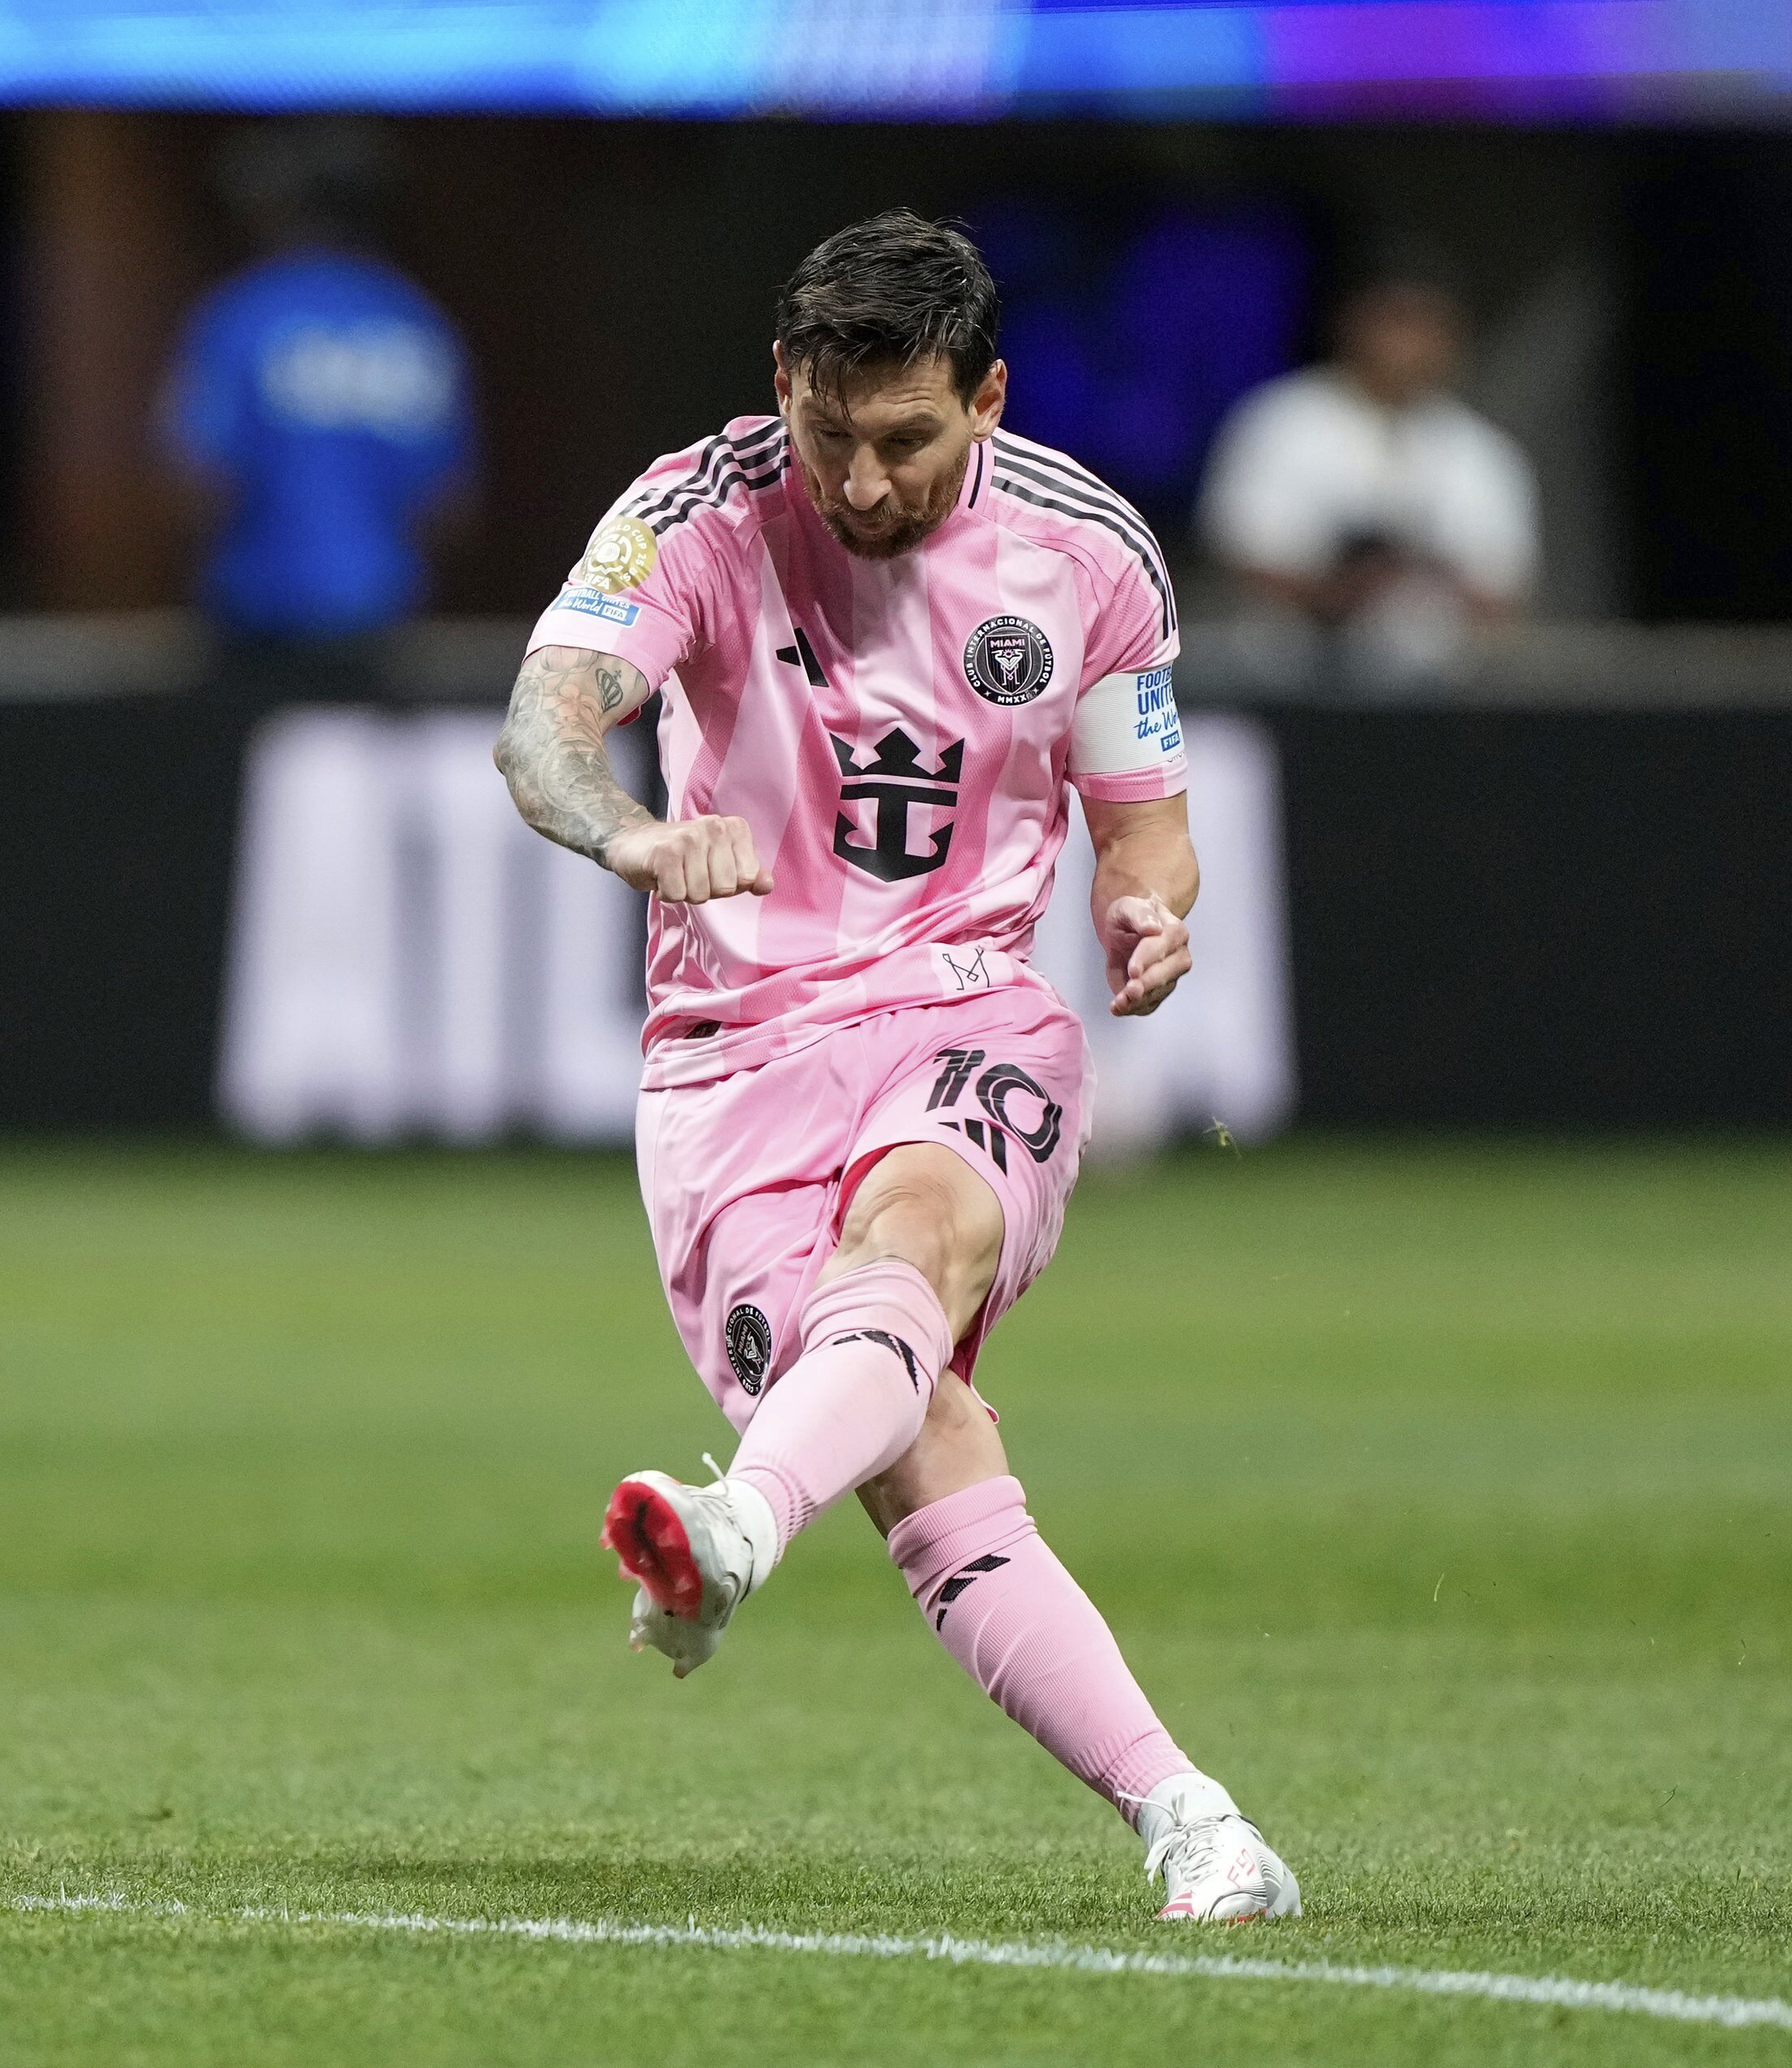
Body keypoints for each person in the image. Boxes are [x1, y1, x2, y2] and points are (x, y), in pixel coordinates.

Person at [494, 210, 1300, 1925]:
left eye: (908, 441)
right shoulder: (691, 513)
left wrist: (1150, 915)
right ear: (782, 385)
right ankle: (1196, 1819)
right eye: (828, 433)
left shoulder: (1089, 556)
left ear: (989, 398)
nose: (861, 484)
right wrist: (634, 834)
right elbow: (541, 726)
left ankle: (731, 1534)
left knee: (912, 1246)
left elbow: (1144, 829)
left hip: (961, 1010)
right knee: (919, 1425)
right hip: (729, 1065)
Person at [162, 121, 473, 717]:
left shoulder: (244, 314)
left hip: (255, 625)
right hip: (380, 624)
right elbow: (447, 505)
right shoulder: (416, 322)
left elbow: (198, 480)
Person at [1198, 261, 1537, 683]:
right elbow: (1243, 553)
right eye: (1396, 323)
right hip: (1284, 684)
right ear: (1354, 324)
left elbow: (1499, 594)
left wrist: (1412, 575)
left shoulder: (1481, 451)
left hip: (1435, 695)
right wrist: (1346, 585)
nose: (1410, 344)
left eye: (1428, 327)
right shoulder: (1281, 421)